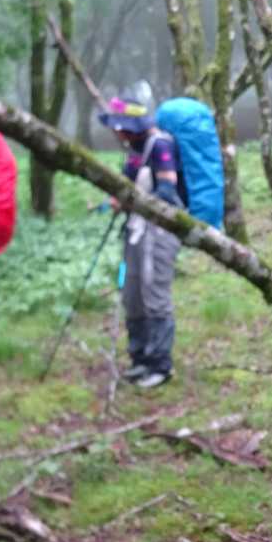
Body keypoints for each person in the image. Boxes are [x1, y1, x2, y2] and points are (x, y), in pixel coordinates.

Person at [101, 95, 182, 390]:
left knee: (154, 295)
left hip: (159, 232)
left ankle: (160, 364)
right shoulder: (134, 149)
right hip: (136, 230)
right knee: (132, 293)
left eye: (121, 127)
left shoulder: (160, 145)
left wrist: (131, 201)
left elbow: (167, 190)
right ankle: (140, 358)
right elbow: (126, 183)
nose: (118, 132)